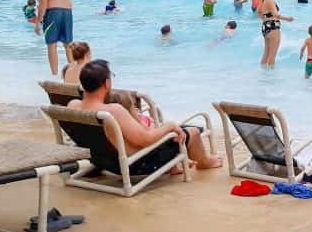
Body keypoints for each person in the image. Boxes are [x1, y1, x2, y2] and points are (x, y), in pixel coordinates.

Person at [68, 59, 221, 174]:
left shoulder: (73, 106)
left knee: (175, 130)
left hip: (102, 160)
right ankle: (204, 163)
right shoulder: (113, 111)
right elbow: (145, 139)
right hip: (137, 164)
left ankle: (177, 165)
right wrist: (170, 126)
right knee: (192, 131)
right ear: (107, 84)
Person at [34, 0, 74, 78]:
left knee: (52, 45)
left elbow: (43, 4)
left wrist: (38, 22)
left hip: (53, 13)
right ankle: (73, 72)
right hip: (67, 11)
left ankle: (54, 75)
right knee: (68, 44)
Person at [259, 0, 293, 68]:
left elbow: (258, 12)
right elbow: (276, 14)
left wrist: (265, 19)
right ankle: (271, 78)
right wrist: (288, 19)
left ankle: (262, 75)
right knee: (273, 54)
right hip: (273, 27)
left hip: (265, 26)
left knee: (266, 53)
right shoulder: (270, 0)